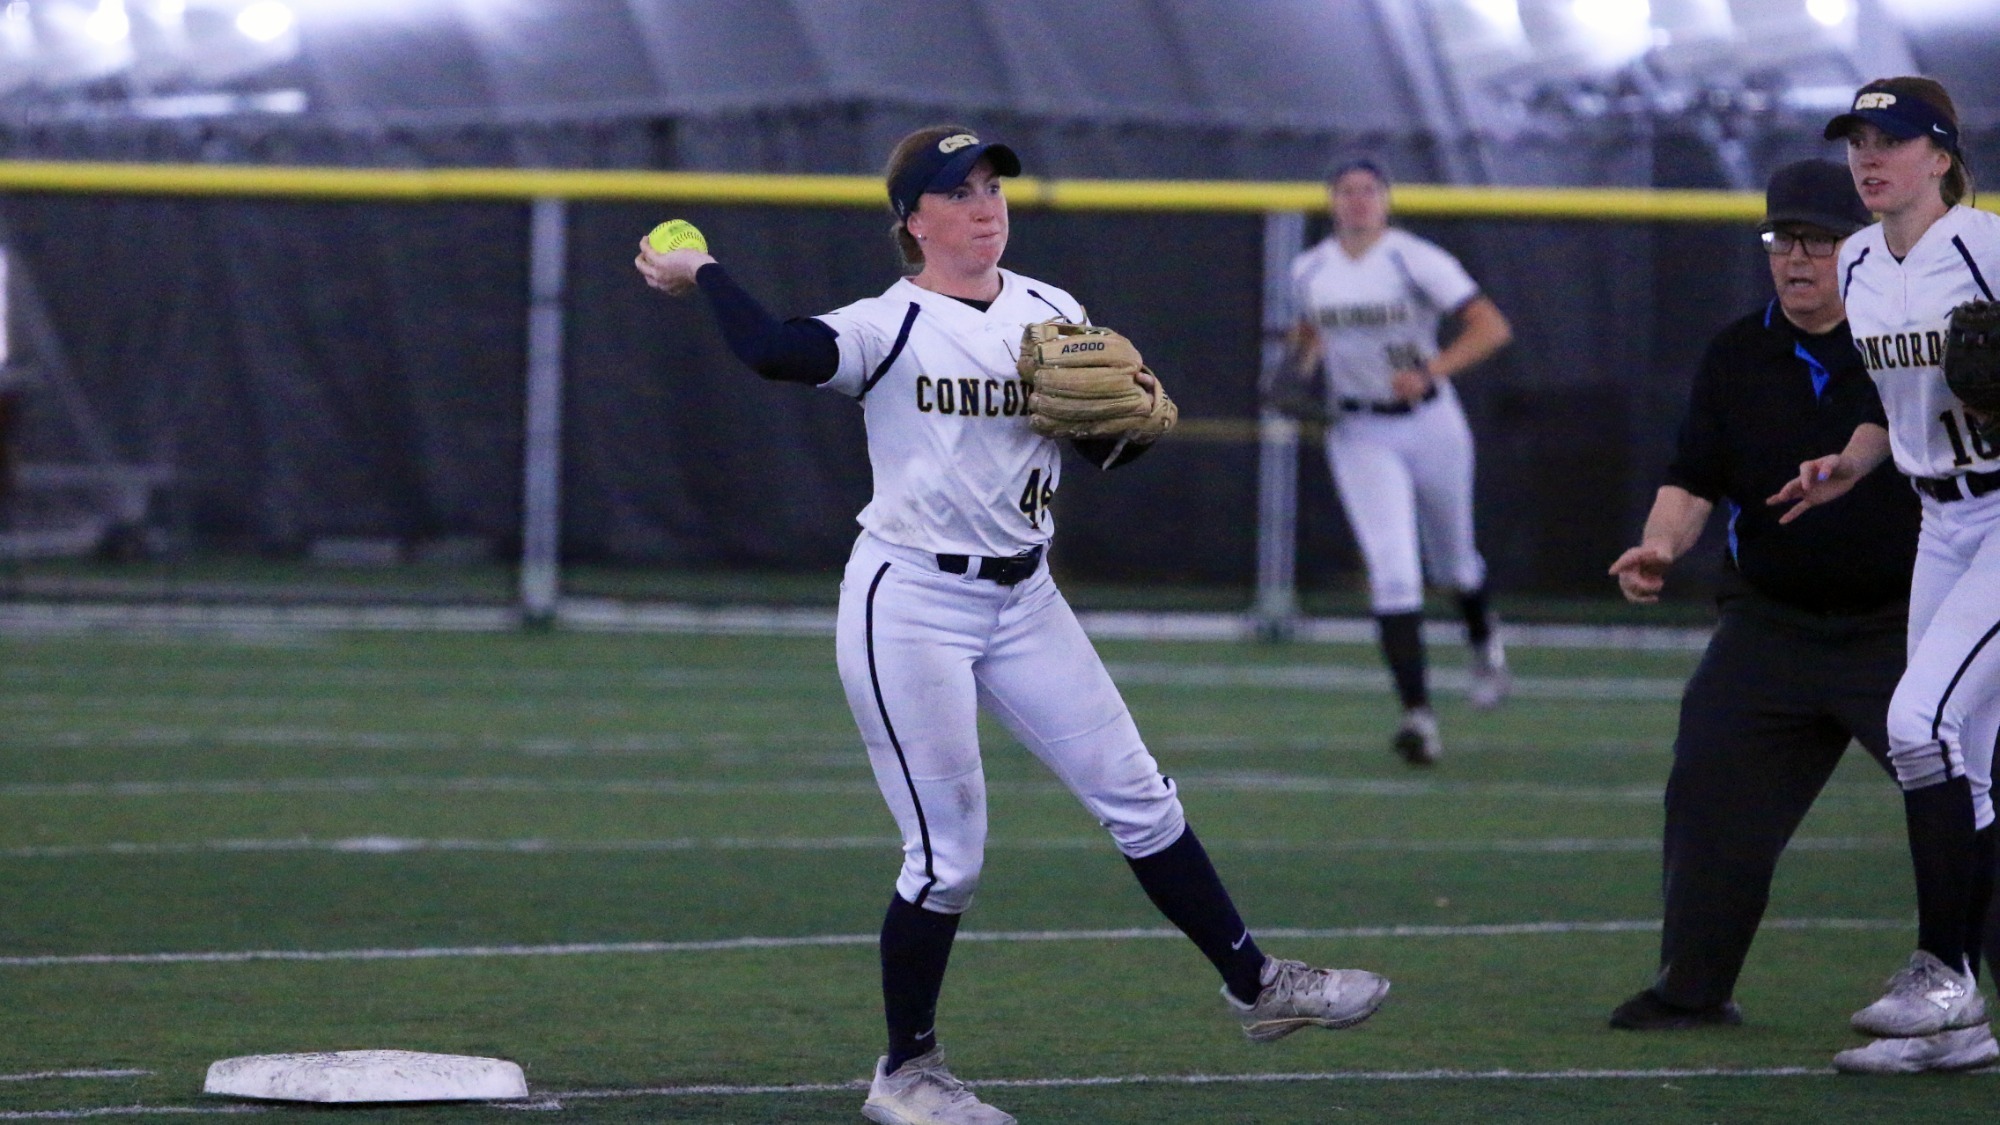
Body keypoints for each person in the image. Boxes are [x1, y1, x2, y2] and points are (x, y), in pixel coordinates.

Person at [634, 125, 1389, 1125]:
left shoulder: (1051, 311)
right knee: (947, 859)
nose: (986, 202)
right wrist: (702, 271)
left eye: (992, 184)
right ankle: (903, 1073)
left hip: (1024, 598)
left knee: (1140, 798)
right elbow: (777, 350)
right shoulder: (888, 324)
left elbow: (1100, 449)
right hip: (908, 602)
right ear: (913, 220)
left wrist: (1126, 428)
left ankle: (1254, 983)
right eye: (959, 189)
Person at [1603, 160, 1921, 1039]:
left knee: (1972, 806)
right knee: (1708, 794)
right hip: (1770, 628)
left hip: (1903, 631)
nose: (1798, 260)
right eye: (1785, 241)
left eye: (1820, 241)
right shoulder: (1738, 351)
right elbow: (1694, 475)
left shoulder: (1907, 343)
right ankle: (1693, 988)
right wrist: (1660, 545)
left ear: (1862, 247)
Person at [1773, 76, 2000, 1075]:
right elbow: (1893, 406)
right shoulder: (1858, 260)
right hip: (1937, 527)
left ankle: (1938, 969)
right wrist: (1849, 464)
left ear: (1939, 155)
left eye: (1891, 139)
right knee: (1972, 771)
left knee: (1915, 725)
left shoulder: (1985, 249)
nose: (1869, 156)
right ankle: (1958, 1030)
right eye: (1857, 138)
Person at [1287, 157, 1515, 766]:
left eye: (1369, 191)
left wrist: (1432, 370)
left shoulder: (1413, 257)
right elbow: (1309, 335)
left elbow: (1491, 326)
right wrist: (1292, 373)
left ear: (1387, 200)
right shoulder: (1309, 268)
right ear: (1331, 201)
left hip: (1430, 423)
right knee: (1392, 571)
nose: (1358, 201)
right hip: (1358, 428)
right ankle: (1418, 717)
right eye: (1346, 191)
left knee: (1454, 561)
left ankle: (1484, 639)